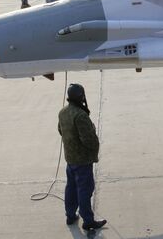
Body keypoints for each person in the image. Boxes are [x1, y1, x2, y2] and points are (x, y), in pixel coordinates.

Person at [58, 84, 107, 232]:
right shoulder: (80, 115)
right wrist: (94, 149)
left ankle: (70, 215)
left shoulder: (63, 112)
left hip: (70, 158)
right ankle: (88, 220)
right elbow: (88, 140)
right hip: (82, 160)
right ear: (81, 97)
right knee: (85, 190)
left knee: (71, 187)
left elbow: (61, 130)